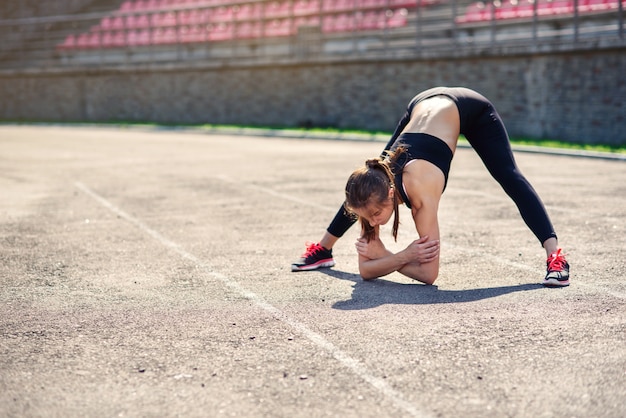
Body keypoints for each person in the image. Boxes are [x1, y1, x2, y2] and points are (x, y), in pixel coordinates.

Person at [291, 86, 570, 287]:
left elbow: (429, 275)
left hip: (470, 108)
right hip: (421, 104)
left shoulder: (421, 195)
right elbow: (366, 271)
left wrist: (393, 257)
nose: (372, 221)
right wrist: (399, 258)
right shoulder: (377, 189)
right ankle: (324, 249)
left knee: (509, 176)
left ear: (392, 194)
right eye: (368, 217)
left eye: (375, 215)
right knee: (363, 185)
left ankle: (555, 256)